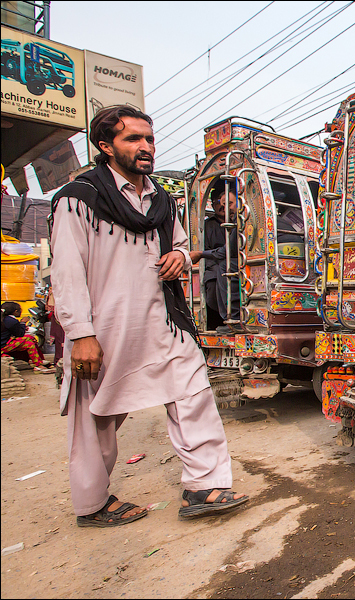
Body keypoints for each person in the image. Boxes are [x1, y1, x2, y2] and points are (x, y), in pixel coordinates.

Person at [50, 105, 248, 527]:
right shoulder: (79, 198)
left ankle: (204, 485)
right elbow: (66, 271)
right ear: (105, 146)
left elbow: (177, 243)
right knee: (97, 417)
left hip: (162, 321)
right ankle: (92, 504)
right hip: (104, 329)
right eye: (133, 139)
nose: (145, 147)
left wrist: (178, 255)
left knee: (193, 392)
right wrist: (81, 333)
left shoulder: (160, 199)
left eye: (149, 139)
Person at [189, 180, 240, 333]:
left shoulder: (238, 220)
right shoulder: (207, 226)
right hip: (212, 268)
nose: (223, 207)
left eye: (228, 203)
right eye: (219, 203)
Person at [1, 301, 54, 373]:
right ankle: (38, 365)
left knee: (30, 338)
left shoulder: (5, 319)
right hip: (4, 346)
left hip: (4, 343)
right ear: (15, 311)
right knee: (29, 343)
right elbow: (19, 334)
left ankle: (37, 361)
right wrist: (22, 323)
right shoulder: (11, 321)